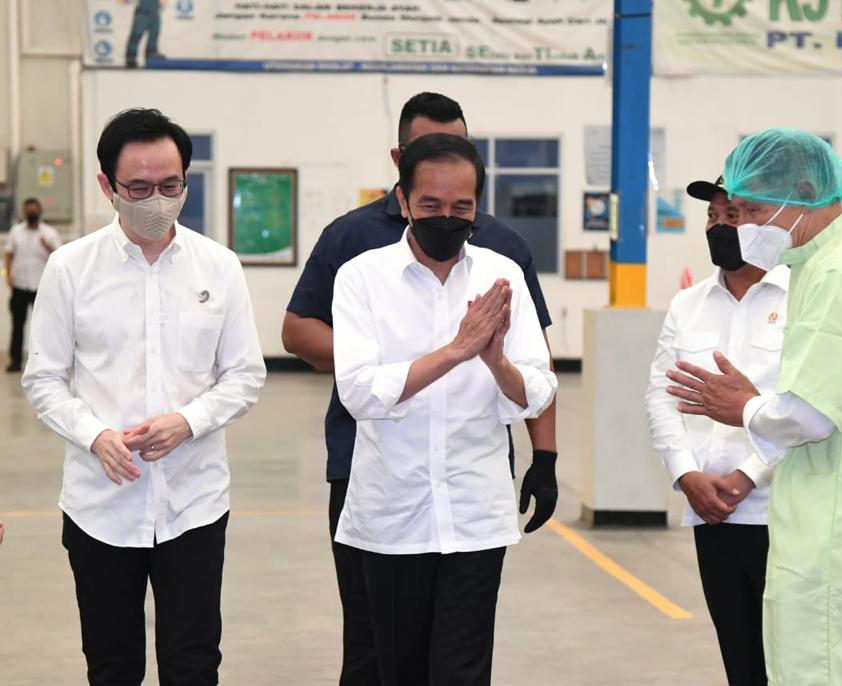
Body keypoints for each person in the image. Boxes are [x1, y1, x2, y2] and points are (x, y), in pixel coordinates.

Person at [281, 91, 558, 684]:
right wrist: (457, 350)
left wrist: (496, 362)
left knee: (461, 670)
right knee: (391, 666)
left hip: (475, 510)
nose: (446, 218)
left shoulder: (503, 272)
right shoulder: (361, 277)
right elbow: (359, 392)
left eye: (462, 206)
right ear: (403, 199)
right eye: (430, 204)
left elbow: (537, 390)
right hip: (391, 513)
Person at [665, 129, 842, 685]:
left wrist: (745, 407)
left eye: (752, 211)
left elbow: (812, 413)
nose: (743, 227)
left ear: (800, 194)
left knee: (835, 665)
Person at [21, 108, 266, 686]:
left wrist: (188, 421)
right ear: (106, 185)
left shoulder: (220, 267)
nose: (157, 200)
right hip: (100, 507)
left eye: (171, 185)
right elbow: (43, 378)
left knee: (193, 665)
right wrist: (96, 436)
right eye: (138, 188)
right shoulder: (70, 269)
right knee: (112, 666)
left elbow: (244, 374)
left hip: (194, 505)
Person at [646, 174, 787, 686]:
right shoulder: (689, 304)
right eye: (712, 216)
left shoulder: (802, 297)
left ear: (767, 220)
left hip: (781, 514)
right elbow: (661, 395)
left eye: (733, 215)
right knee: (740, 660)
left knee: (789, 662)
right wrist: (686, 475)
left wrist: (748, 476)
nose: (718, 226)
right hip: (711, 514)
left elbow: (808, 406)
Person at [4, 197, 61, 372]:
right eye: (28, 210)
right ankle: (15, 361)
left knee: (43, 327)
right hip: (20, 285)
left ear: (39, 211)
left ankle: (44, 362)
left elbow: (60, 257)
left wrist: (47, 246)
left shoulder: (49, 233)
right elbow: (8, 254)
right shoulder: (16, 232)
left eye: (34, 210)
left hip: (41, 287)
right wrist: (7, 274)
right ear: (24, 212)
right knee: (18, 325)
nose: (31, 213)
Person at [123, 0, 166, 68]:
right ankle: (131, 57)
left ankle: (151, 54)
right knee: (136, 34)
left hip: (154, 12)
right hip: (143, 12)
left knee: (154, 34)